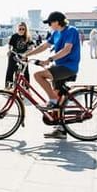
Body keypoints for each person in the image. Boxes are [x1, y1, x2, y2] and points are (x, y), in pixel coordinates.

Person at [24, 11, 81, 139]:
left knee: (38, 76)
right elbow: (44, 46)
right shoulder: (55, 33)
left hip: (68, 67)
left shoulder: (71, 30)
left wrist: (49, 60)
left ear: (57, 22)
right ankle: (61, 129)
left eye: (50, 23)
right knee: (57, 96)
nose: (49, 25)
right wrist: (27, 55)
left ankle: (53, 100)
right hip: (59, 67)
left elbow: (67, 49)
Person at [6, 22, 33, 87]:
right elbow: (10, 45)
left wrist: (26, 53)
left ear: (25, 29)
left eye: (23, 29)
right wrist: (9, 51)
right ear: (17, 29)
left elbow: (31, 47)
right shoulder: (14, 36)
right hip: (14, 55)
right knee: (10, 70)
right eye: (20, 29)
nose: (21, 30)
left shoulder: (28, 37)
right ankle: (8, 86)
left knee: (25, 71)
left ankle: (26, 87)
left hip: (23, 56)